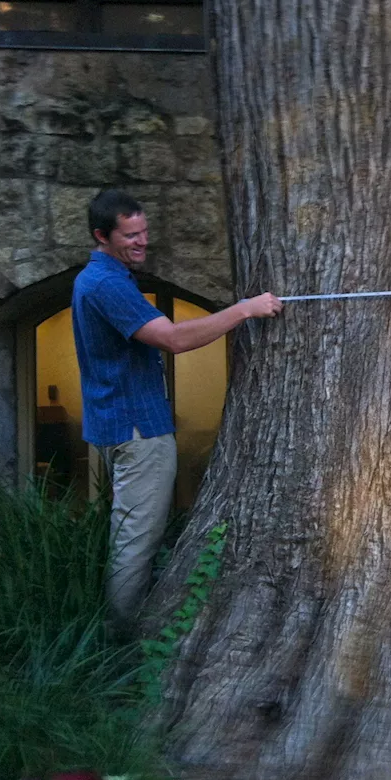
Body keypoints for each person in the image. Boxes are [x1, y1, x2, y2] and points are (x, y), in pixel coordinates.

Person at [71, 188, 283, 629]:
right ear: (101, 236)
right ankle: (124, 641)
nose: (141, 241)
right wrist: (244, 310)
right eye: (130, 235)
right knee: (136, 539)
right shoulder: (107, 284)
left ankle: (124, 628)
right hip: (137, 431)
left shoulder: (101, 279)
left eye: (144, 231)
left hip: (123, 426)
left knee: (134, 534)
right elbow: (174, 339)